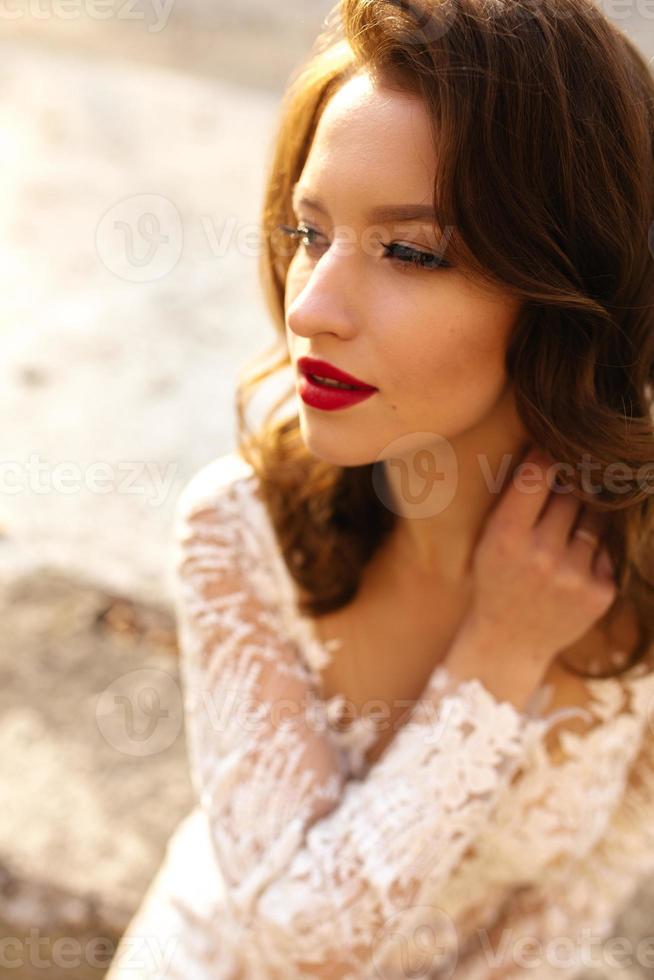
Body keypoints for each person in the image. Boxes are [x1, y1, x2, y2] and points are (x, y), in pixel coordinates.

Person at [105, 0, 654, 977]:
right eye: (310, 233)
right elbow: (292, 938)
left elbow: (584, 890)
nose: (311, 307)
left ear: (573, 286)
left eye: (409, 250)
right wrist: (502, 647)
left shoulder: (642, 549)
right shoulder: (240, 529)